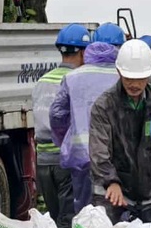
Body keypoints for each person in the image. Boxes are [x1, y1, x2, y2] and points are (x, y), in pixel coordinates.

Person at [89, 39, 151, 226]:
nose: (134, 84)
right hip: (113, 194)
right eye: (129, 78)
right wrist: (111, 182)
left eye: (140, 78)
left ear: (149, 73)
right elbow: (99, 152)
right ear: (119, 72)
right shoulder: (104, 105)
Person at [50, 22, 124, 213]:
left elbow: (57, 114)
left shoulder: (73, 77)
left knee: (85, 214)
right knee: (117, 214)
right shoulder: (124, 77)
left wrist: (64, 141)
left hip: (80, 156)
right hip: (115, 158)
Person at [32, 23, 89, 228]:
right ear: (83, 52)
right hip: (66, 162)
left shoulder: (42, 81)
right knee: (68, 223)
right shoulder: (75, 81)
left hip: (43, 162)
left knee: (55, 220)